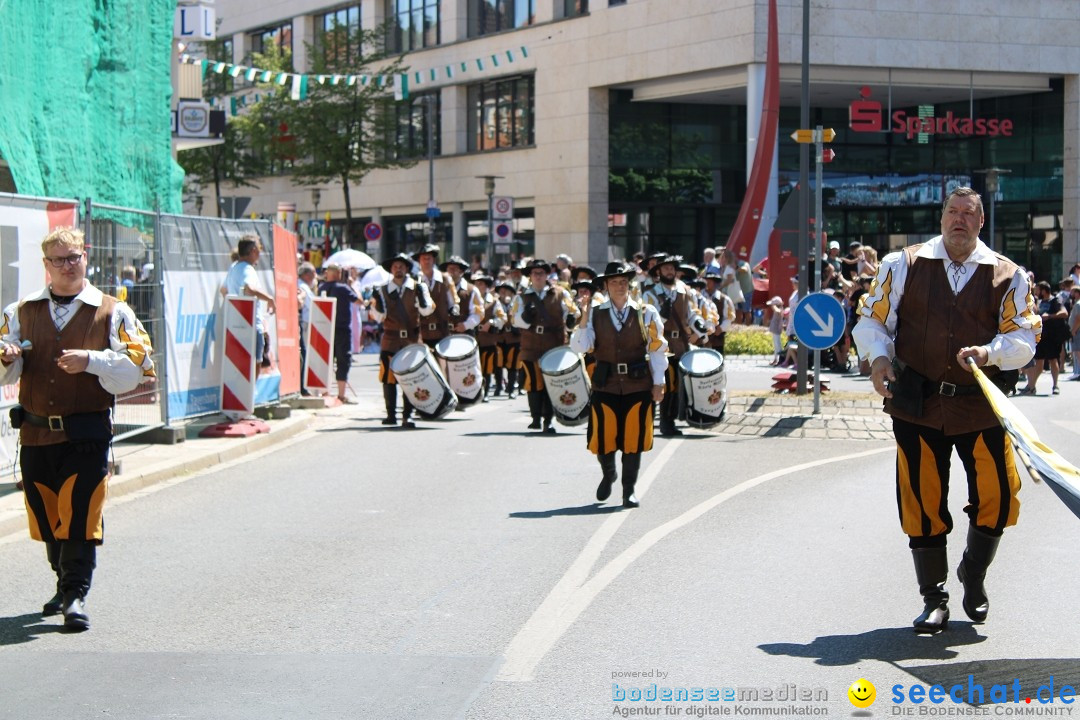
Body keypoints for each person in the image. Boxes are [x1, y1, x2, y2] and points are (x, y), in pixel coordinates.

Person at [852, 187, 1039, 634]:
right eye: (952, 212)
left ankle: (973, 574)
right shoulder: (902, 264)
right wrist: (878, 357)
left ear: (980, 222)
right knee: (921, 499)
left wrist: (989, 352)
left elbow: (1025, 340)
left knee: (997, 497)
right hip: (916, 401)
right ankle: (933, 598)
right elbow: (871, 318)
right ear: (942, 219)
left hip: (979, 405)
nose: (960, 219)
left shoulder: (1008, 275)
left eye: (968, 214)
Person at [0, 226, 155, 631]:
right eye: (59, 259)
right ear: (46, 265)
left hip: (86, 433)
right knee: (49, 517)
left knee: (81, 515)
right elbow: (5, 372)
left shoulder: (112, 310)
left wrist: (93, 361)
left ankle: (75, 594)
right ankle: (62, 581)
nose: (68, 265)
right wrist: (8, 358)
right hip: (35, 432)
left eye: (75, 257)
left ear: (85, 256)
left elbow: (138, 369)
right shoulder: (20, 311)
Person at [569, 262, 668, 508]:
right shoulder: (594, 313)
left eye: (624, 281)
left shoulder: (646, 312)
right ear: (606, 285)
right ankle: (608, 473)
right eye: (614, 282)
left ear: (629, 284)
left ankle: (629, 490)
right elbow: (580, 347)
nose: (620, 286)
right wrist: (583, 318)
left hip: (638, 384)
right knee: (604, 438)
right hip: (605, 384)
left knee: (633, 439)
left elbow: (657, 350)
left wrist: (659, 383)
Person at [510, 259, 581, 433]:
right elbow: (513, 319)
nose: (538, 276)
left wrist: (571, 320)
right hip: (531, 345)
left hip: (554, 344)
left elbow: (573, 312)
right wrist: (525, 317)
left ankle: (548, 420)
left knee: (552, 384)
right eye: (534, 273)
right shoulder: (521, 296)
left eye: (541, 272)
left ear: (547, 274)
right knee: (533, 382)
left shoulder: (560, 293)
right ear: (530, 276)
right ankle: (535, 417)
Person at [642, 255, 707, 436]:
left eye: (672, 268)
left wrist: (699, 326)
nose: (669, 271)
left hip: (681, 344)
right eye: (665, 269)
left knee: (678, 384)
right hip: (661, 344)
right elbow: (647, 322)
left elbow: (691, 313)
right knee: (666, 384)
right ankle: (665, 422)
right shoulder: (650, 294)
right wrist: (662, 316)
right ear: (658, 272)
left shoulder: (684, 291)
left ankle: (672, 419)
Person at [369, 253, 434, 428]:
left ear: (407, 269)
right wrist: (376, 305)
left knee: (411, 379)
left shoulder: (418, 287)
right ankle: (391, 414)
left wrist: (421, 297)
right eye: (395, 267)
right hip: (390, 339)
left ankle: (408, 415)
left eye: (402, 266)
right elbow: (378, 317)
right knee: (388, 378)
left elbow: (427, 311)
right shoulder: (381, 290)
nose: (399, 269)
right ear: (391, 270)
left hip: (412, 340)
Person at [223, 236, 276, 365]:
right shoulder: (247, 269)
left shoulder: (234, 268)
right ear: (253, 251)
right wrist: (269, 299)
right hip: (251, 325)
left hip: (235, 325)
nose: (260, 253)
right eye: (259, 249)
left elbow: (223, 291)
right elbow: (249, 289)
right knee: (255, 365)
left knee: (240, 366)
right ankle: (252, 387)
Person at [317, 263, 362, 403]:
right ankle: (341, 395)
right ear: (338, 273)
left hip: (325, 328)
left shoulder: (321, 288)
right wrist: (352, 285)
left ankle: (325, 391)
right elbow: (359, 301)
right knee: (343, 360)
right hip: (342, 329)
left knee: (327, 360)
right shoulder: (343, 288)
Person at [1022, 280, 1068, 395]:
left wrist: (1050, 316)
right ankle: (1031, 386)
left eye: (1038, 289)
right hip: (1040, 335)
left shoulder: (1055, 300)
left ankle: (1055, 385)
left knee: (1053, 360)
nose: (1036, 291)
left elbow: (1064, 313)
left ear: (1043, 290)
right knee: (1038, 361)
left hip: (1051, 337)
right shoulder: (1039, 302)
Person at [413, 244, 459, 348]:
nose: (426, 261)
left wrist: (454, 311)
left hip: (442, 331)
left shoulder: (445, 279)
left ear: (433, 260)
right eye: (423, 259)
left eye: (429, 258)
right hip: (421, 333)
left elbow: (454, 301)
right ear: (419, 261)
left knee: (442, 363)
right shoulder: (415, 280)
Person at [472, 272, 508, 401]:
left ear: (486, 286)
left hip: (488, 340)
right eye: (476, 283)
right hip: (473, 339)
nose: (477, 286)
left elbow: (503, 317)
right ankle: (473, 393)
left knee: (487, 367)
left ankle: (485, 393)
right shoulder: (471, 298)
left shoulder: (493, 301)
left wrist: (492, 323)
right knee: (474, 367)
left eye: (480, 283)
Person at [495, 281, 522, 398]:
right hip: (499, 338)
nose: (503, 292)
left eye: (507, 290)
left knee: (513, 365)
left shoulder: (517, 304)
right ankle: (498, 387)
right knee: (498, 364)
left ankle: (511, 389)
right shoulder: (494, 304)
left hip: (514, 338)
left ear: (512, 293)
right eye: (501, 290)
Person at [297, 262, 317, 394]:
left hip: (305, 323)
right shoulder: (301, 286)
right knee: (303, 354)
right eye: (313, 273)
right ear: (306, 274)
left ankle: (303, 386)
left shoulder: (304, 285)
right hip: (303, 324)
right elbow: (305, 304)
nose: (315, 276)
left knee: (304, 355)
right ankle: (302, 387)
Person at [1069, 284, 1080, 380]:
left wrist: (1073, 330)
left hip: (1077, 332)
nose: (1071, 294)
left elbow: (1078, 318)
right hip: (1077, 331)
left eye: (1073, 292)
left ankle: (1078, 372)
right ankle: (1076, 372)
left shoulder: (1078, 304)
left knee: (1077, 352)